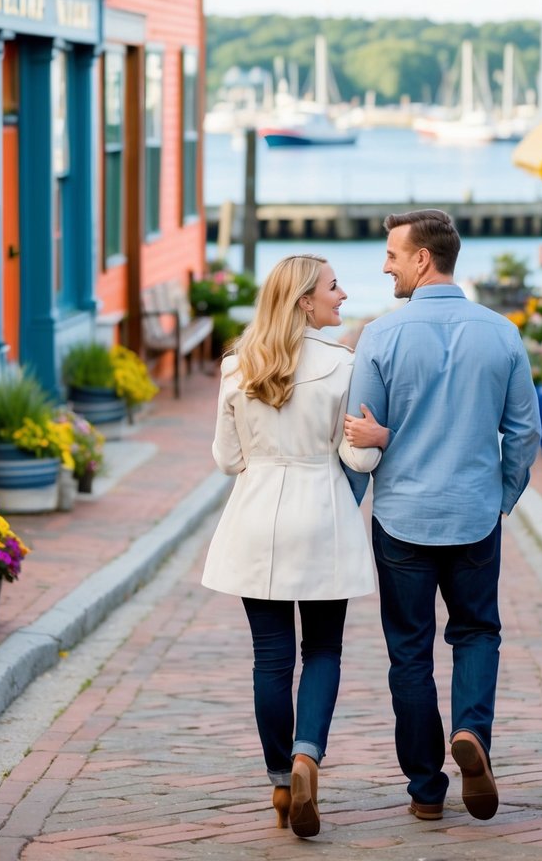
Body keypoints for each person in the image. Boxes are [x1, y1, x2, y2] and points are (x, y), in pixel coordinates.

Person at [343, 209, 541, 823]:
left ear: (423, 258)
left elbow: (357, 443)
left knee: (410, 652)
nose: (385, 265)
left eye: (393, 255)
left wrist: (349, 504)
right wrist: (501, 497)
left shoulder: (379, 336)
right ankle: (473, 733)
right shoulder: (501, 333)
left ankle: (427, 788)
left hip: (401, 517)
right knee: (477, 631)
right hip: (475, 515)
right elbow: (526, 432)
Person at [201, 254, 381, 838]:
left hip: (256, 518)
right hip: (321, 513)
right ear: (305, 300)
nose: (343, 294)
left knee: (271, 659)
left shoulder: (237, 363)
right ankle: (307, 756)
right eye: (334, 287)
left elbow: (228, 460)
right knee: (323, 650)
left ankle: (281, 779)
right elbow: (355, 455)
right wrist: (376, 443)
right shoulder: (341, 365)